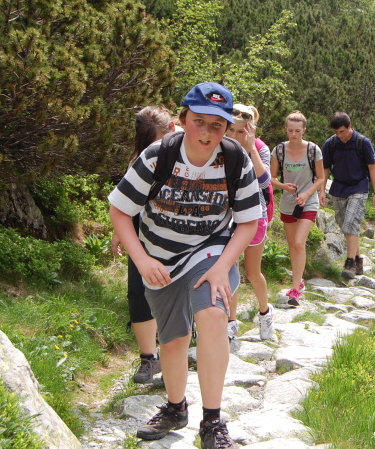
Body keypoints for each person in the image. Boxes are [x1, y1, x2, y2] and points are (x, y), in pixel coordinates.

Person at [108, 82, 261, 448]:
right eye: (199, 122)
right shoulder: (157, 156)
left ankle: (213, 422)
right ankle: (176, 408)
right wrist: (142, 259)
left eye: (217, 125)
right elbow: (120, 209)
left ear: (226, 128)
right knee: (173, 339)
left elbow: (248, 222)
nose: (206, 132)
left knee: (212, 316)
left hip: (211, 251)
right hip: (160, 258)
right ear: (182, 119)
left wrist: (223, 266)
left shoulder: (235, 160)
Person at [110, 106, 176, 384]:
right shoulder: (137, 160)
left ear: (172, 129)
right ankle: (149, 358)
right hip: (141, 233)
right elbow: (124, 203)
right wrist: (119, 232)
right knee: (139, 292)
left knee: (174, 292)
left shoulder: (191, 155)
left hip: (177, 232)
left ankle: (174, 354)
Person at [224, 103, 275, 340]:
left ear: (250, 130)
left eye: (240, 131)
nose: (234, 136)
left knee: (253, 272)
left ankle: (265, 313)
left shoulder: (260, 148)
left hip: (254, 214)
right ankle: (231, 321)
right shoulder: (220, 146)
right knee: (229, 269)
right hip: (227, 215)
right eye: (231, 130)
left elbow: (264, 181)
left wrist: (250, 147)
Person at [270, 111, 325, 306]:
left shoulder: (313, 150)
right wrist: (284, 186)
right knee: (292, 245)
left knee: (299, 243)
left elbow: (321, 178)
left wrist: (307, 194)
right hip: (288, 202)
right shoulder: (279, 150)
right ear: (286, 129)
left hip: (308, 201)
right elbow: (271, 177)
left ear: (304, 130)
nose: (293, 134)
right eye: (290, 130)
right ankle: (298, 279)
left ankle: (294, 291)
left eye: (297, 131)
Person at [320, 111, 375, 280]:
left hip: (359, 187)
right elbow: (325, 168)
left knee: (351, 222)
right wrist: (322, 191)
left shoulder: (363, 142)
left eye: (342, 131)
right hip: (339, 188)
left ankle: (350, 263)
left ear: (349, 127)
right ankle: (358, 260)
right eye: (336, 132)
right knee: (345, 226)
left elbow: (373, 167)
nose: (340, 135)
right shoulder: (330, 144)